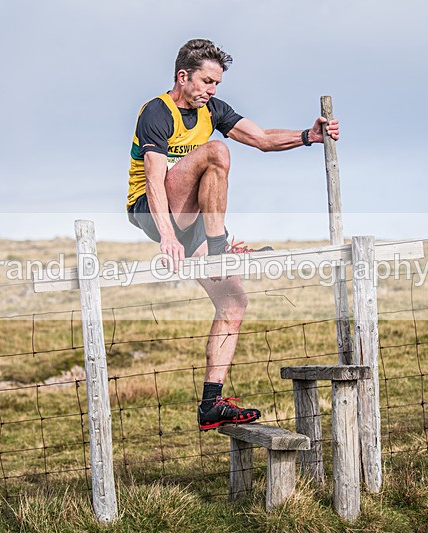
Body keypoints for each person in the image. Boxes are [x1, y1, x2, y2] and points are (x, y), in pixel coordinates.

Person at [126, 39, 340, 431]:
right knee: (217, 152)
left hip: (192, 225)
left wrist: (308, 136)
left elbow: (261, 140)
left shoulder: (213, 110)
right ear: (182, 76)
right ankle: (221, 246)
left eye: (216, 84)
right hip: (153, 211)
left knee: (234, 304)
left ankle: (211, 403)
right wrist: (167, 237)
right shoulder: (157, 111)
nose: (212, 90)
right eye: (207, 81)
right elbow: (155, 179)